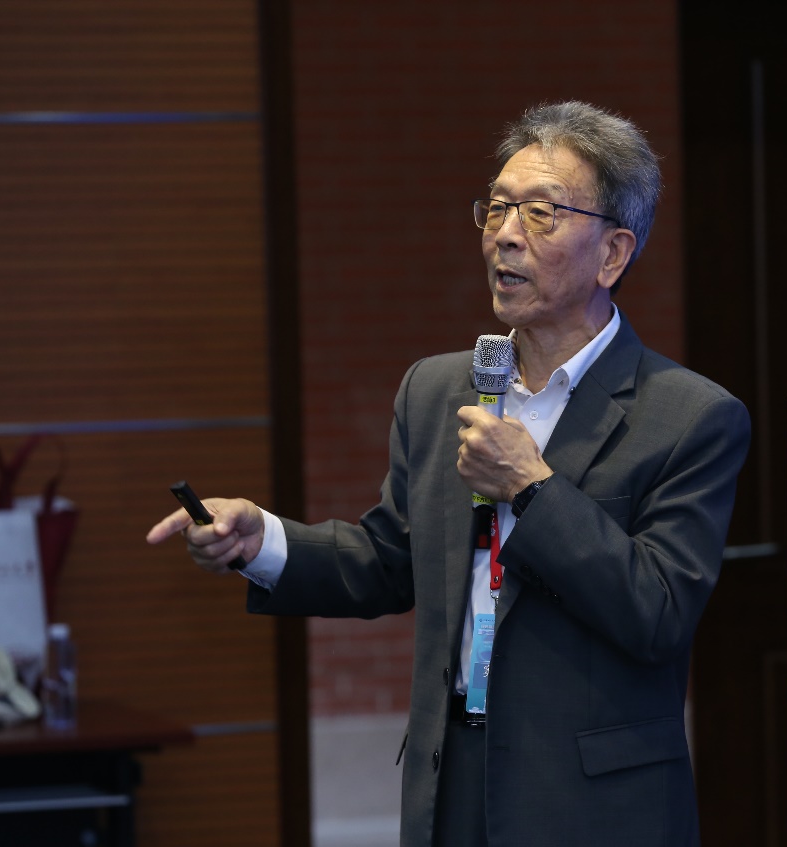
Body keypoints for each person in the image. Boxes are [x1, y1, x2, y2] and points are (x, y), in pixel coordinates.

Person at [147, 100, 750, 847]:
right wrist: (260, 541)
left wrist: (533, 489)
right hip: (452, 783)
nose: (505, 234)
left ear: (612, 254)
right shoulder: (436, 390)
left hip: (592, 806)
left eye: (541, 213)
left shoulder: (689, 416)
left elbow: (657, 611)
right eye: (497, 208)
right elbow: (388, 560)